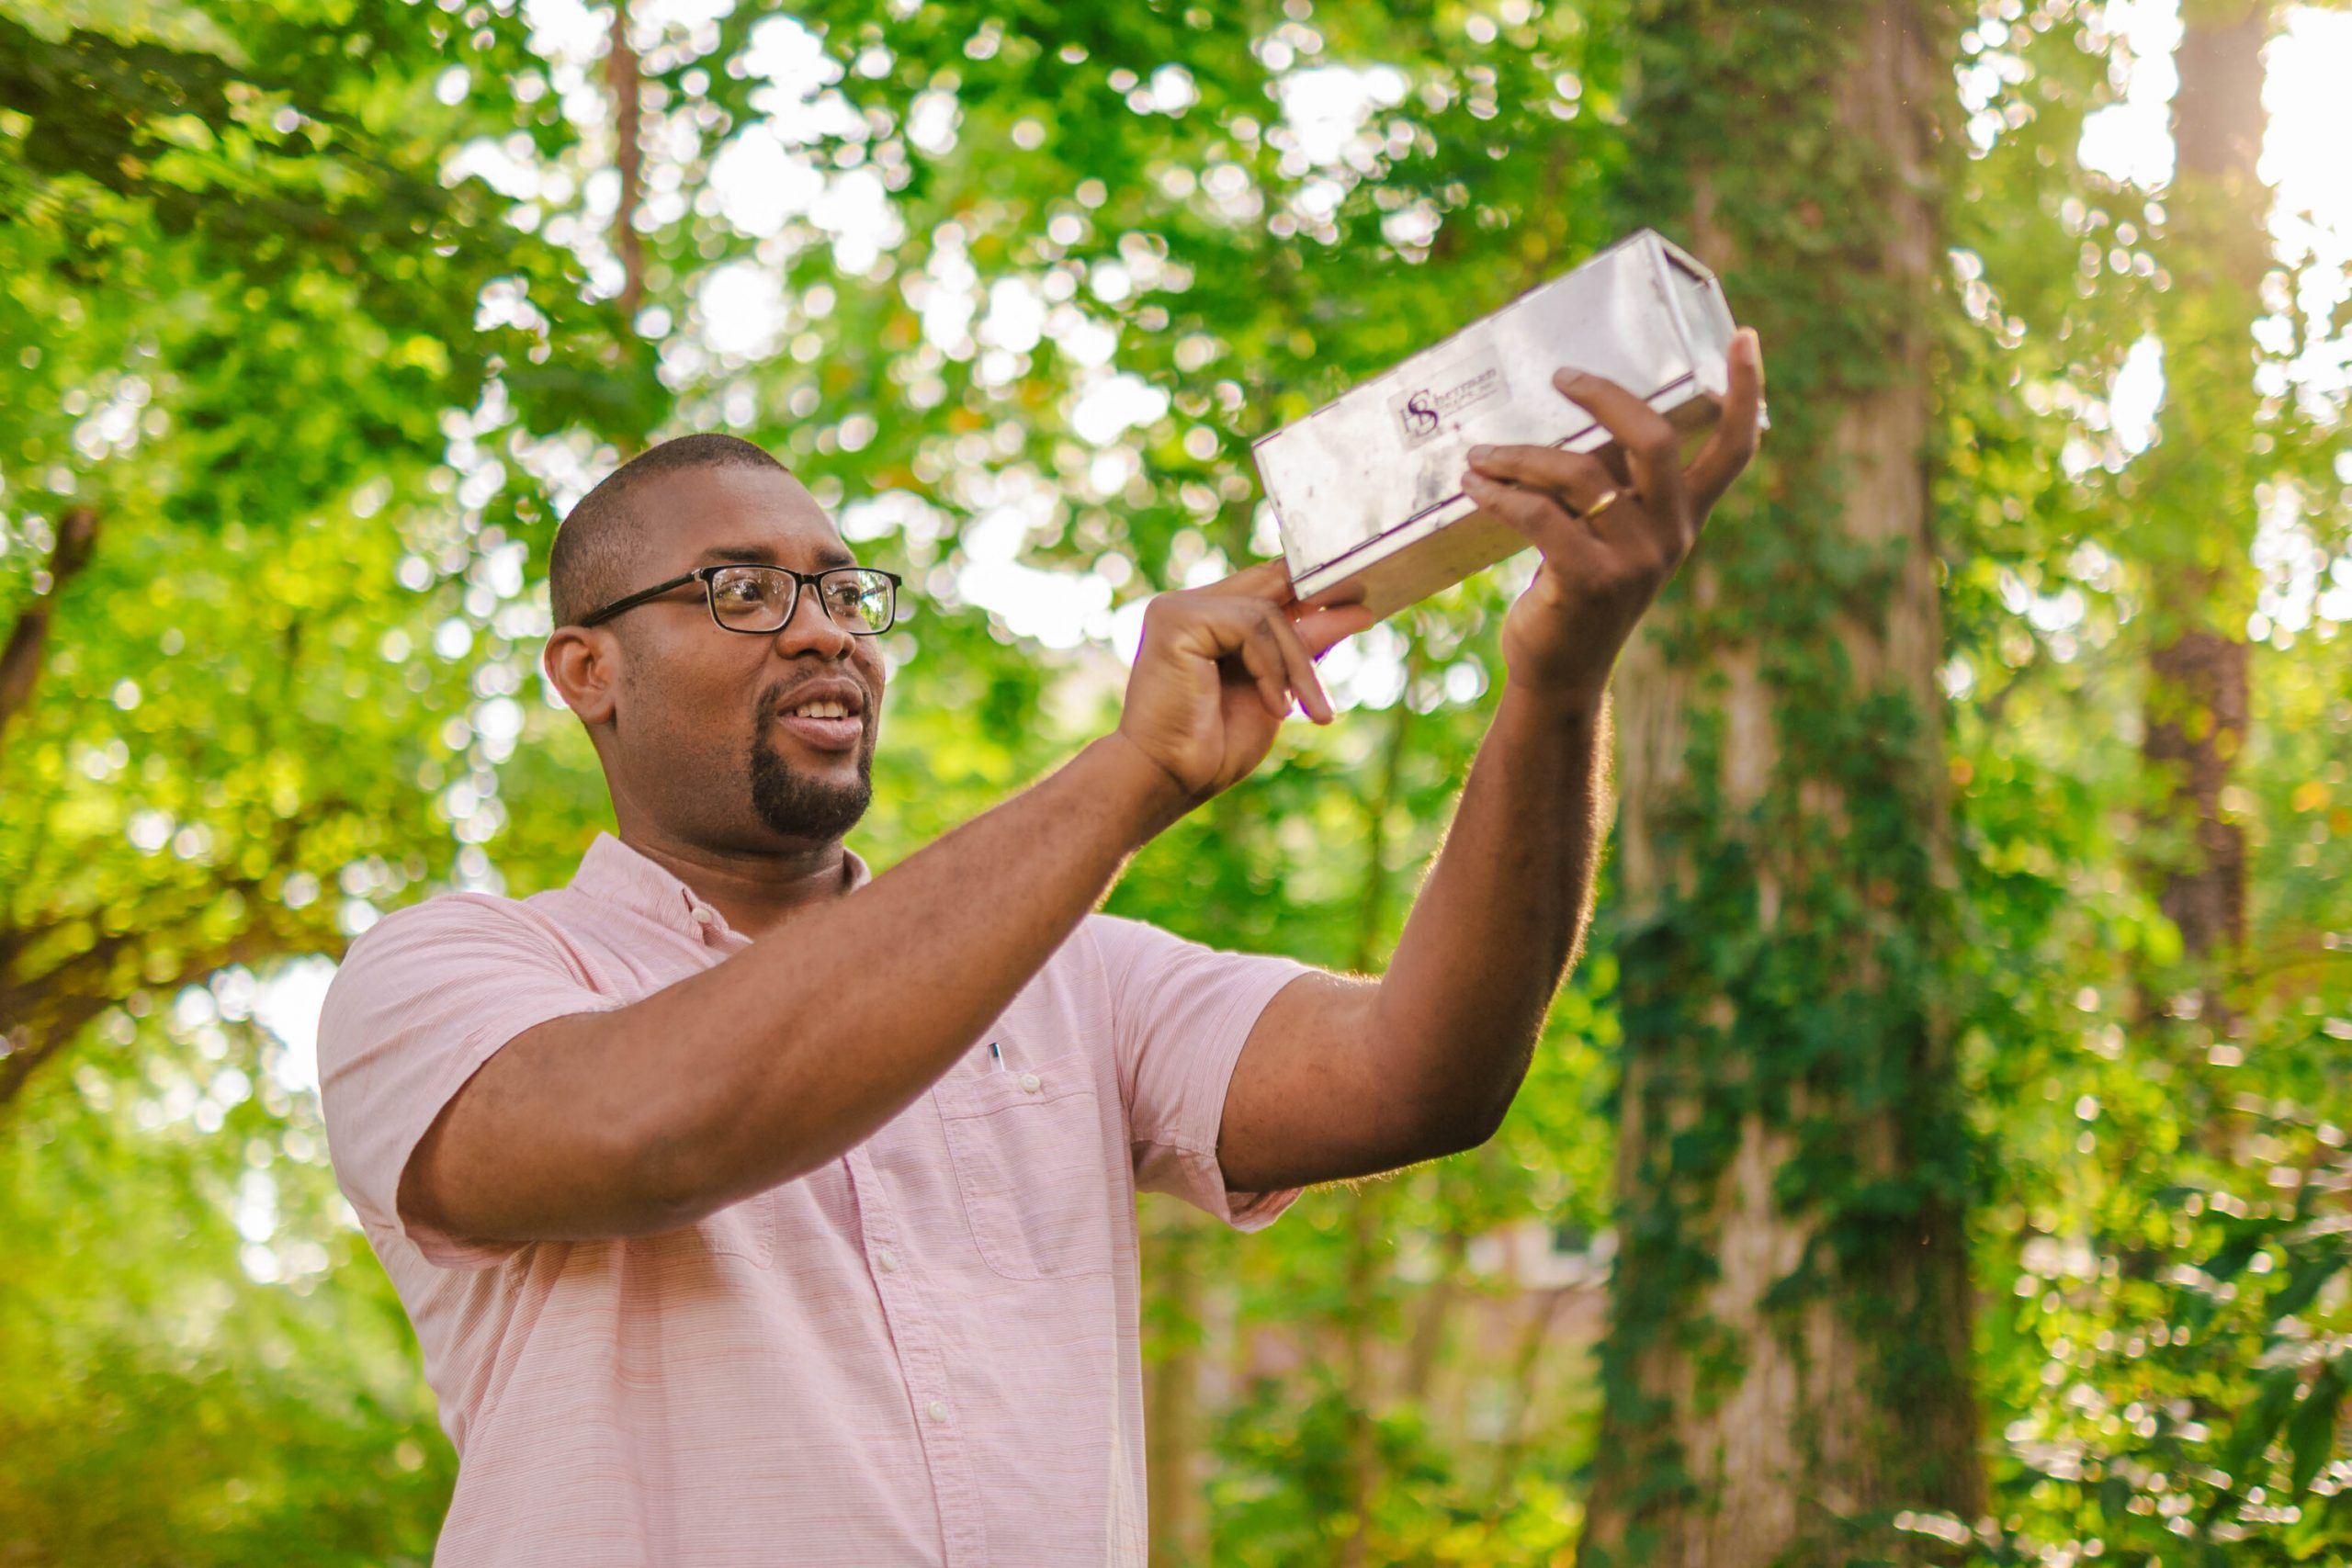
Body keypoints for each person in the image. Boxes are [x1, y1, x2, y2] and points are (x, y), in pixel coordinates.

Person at [317, 332, 1764, 1565]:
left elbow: (1418, 1077)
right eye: (742, 592)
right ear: (588, 671)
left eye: (845, 593)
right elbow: (651, 1128)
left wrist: (1558, 680)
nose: (823, 634)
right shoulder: (447, 976)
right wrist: (1132, 775)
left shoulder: (1080, 978)